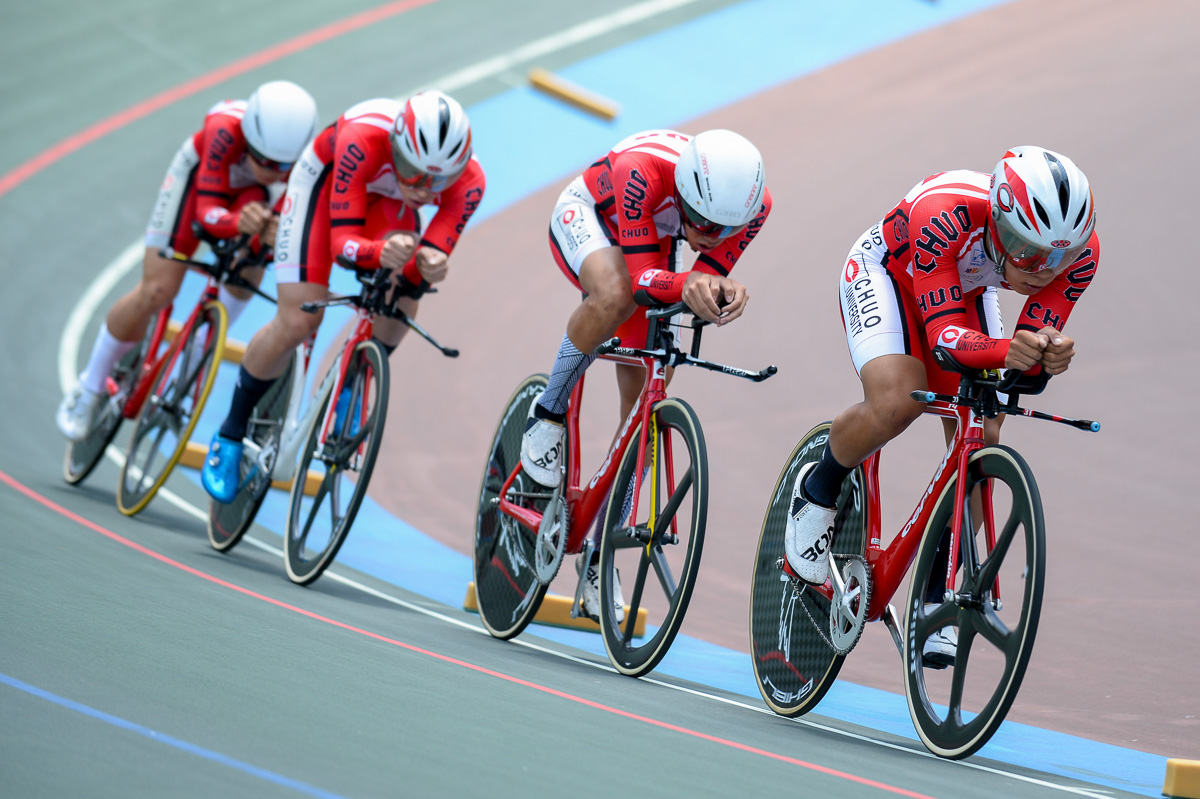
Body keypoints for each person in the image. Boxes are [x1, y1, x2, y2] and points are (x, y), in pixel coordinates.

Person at [785, 145, 1099, 663]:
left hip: (965, 285)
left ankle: (934, 591)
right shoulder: (945, 212)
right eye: (1026, 249)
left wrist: (1047, 356)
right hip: (888, 272)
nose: (1042, 271)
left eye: (1056, 258)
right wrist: (1010, 352)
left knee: (987, 432)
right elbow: (945, 341)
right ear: (998, 222)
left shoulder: (1079, 252)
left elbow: (1023, 362)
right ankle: (818, 489)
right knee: (896, 400)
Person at [519, 128, 772, 621]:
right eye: (701, 221)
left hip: (653, 244)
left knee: (647, 403)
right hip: (593, 219)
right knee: (613, 296)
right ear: (685, 191)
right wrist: (692, 280)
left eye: (725, 228)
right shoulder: (641, 171)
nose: (710, 235)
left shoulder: (754, 206)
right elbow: (641, 283)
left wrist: (721, 290)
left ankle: (600, 551)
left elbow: (699, 275)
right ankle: (547, 413)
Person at [200, 90, 485, 503]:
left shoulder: (470, 184)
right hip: (325, 187)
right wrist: (375, 253)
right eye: (412, 171)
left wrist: (427, 265)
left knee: (405, 286)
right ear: (396, 146)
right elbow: (341, 245)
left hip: (387, 207)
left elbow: (426, 261)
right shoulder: (363, 138)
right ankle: (230, 431)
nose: (422, 189)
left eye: (437, 181)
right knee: (298, 320)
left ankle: (357, 378)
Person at [56, 80, 319, 441]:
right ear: (248, 137)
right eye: (263, 159)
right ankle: (88, 388)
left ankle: (189, 370)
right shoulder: (223, 131)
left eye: (283, 165)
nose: (274, 169)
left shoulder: (305, 166)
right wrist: (234, 223)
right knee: (157, 290)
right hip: (198, 184)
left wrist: (274, 236)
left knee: (256, 253)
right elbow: (205, 211)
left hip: (253, 200)